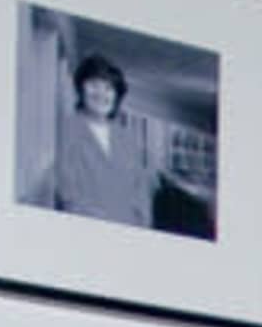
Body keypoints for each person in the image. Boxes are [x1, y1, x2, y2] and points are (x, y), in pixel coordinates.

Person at [24, 53, 165, 229]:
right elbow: (67, 191)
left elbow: (141, 190)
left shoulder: (127, 137)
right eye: (93, 85)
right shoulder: (66, 129)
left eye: (109, 88)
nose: (101, 94)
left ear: (116, 95)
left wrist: (141, 224)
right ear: (80, 89)